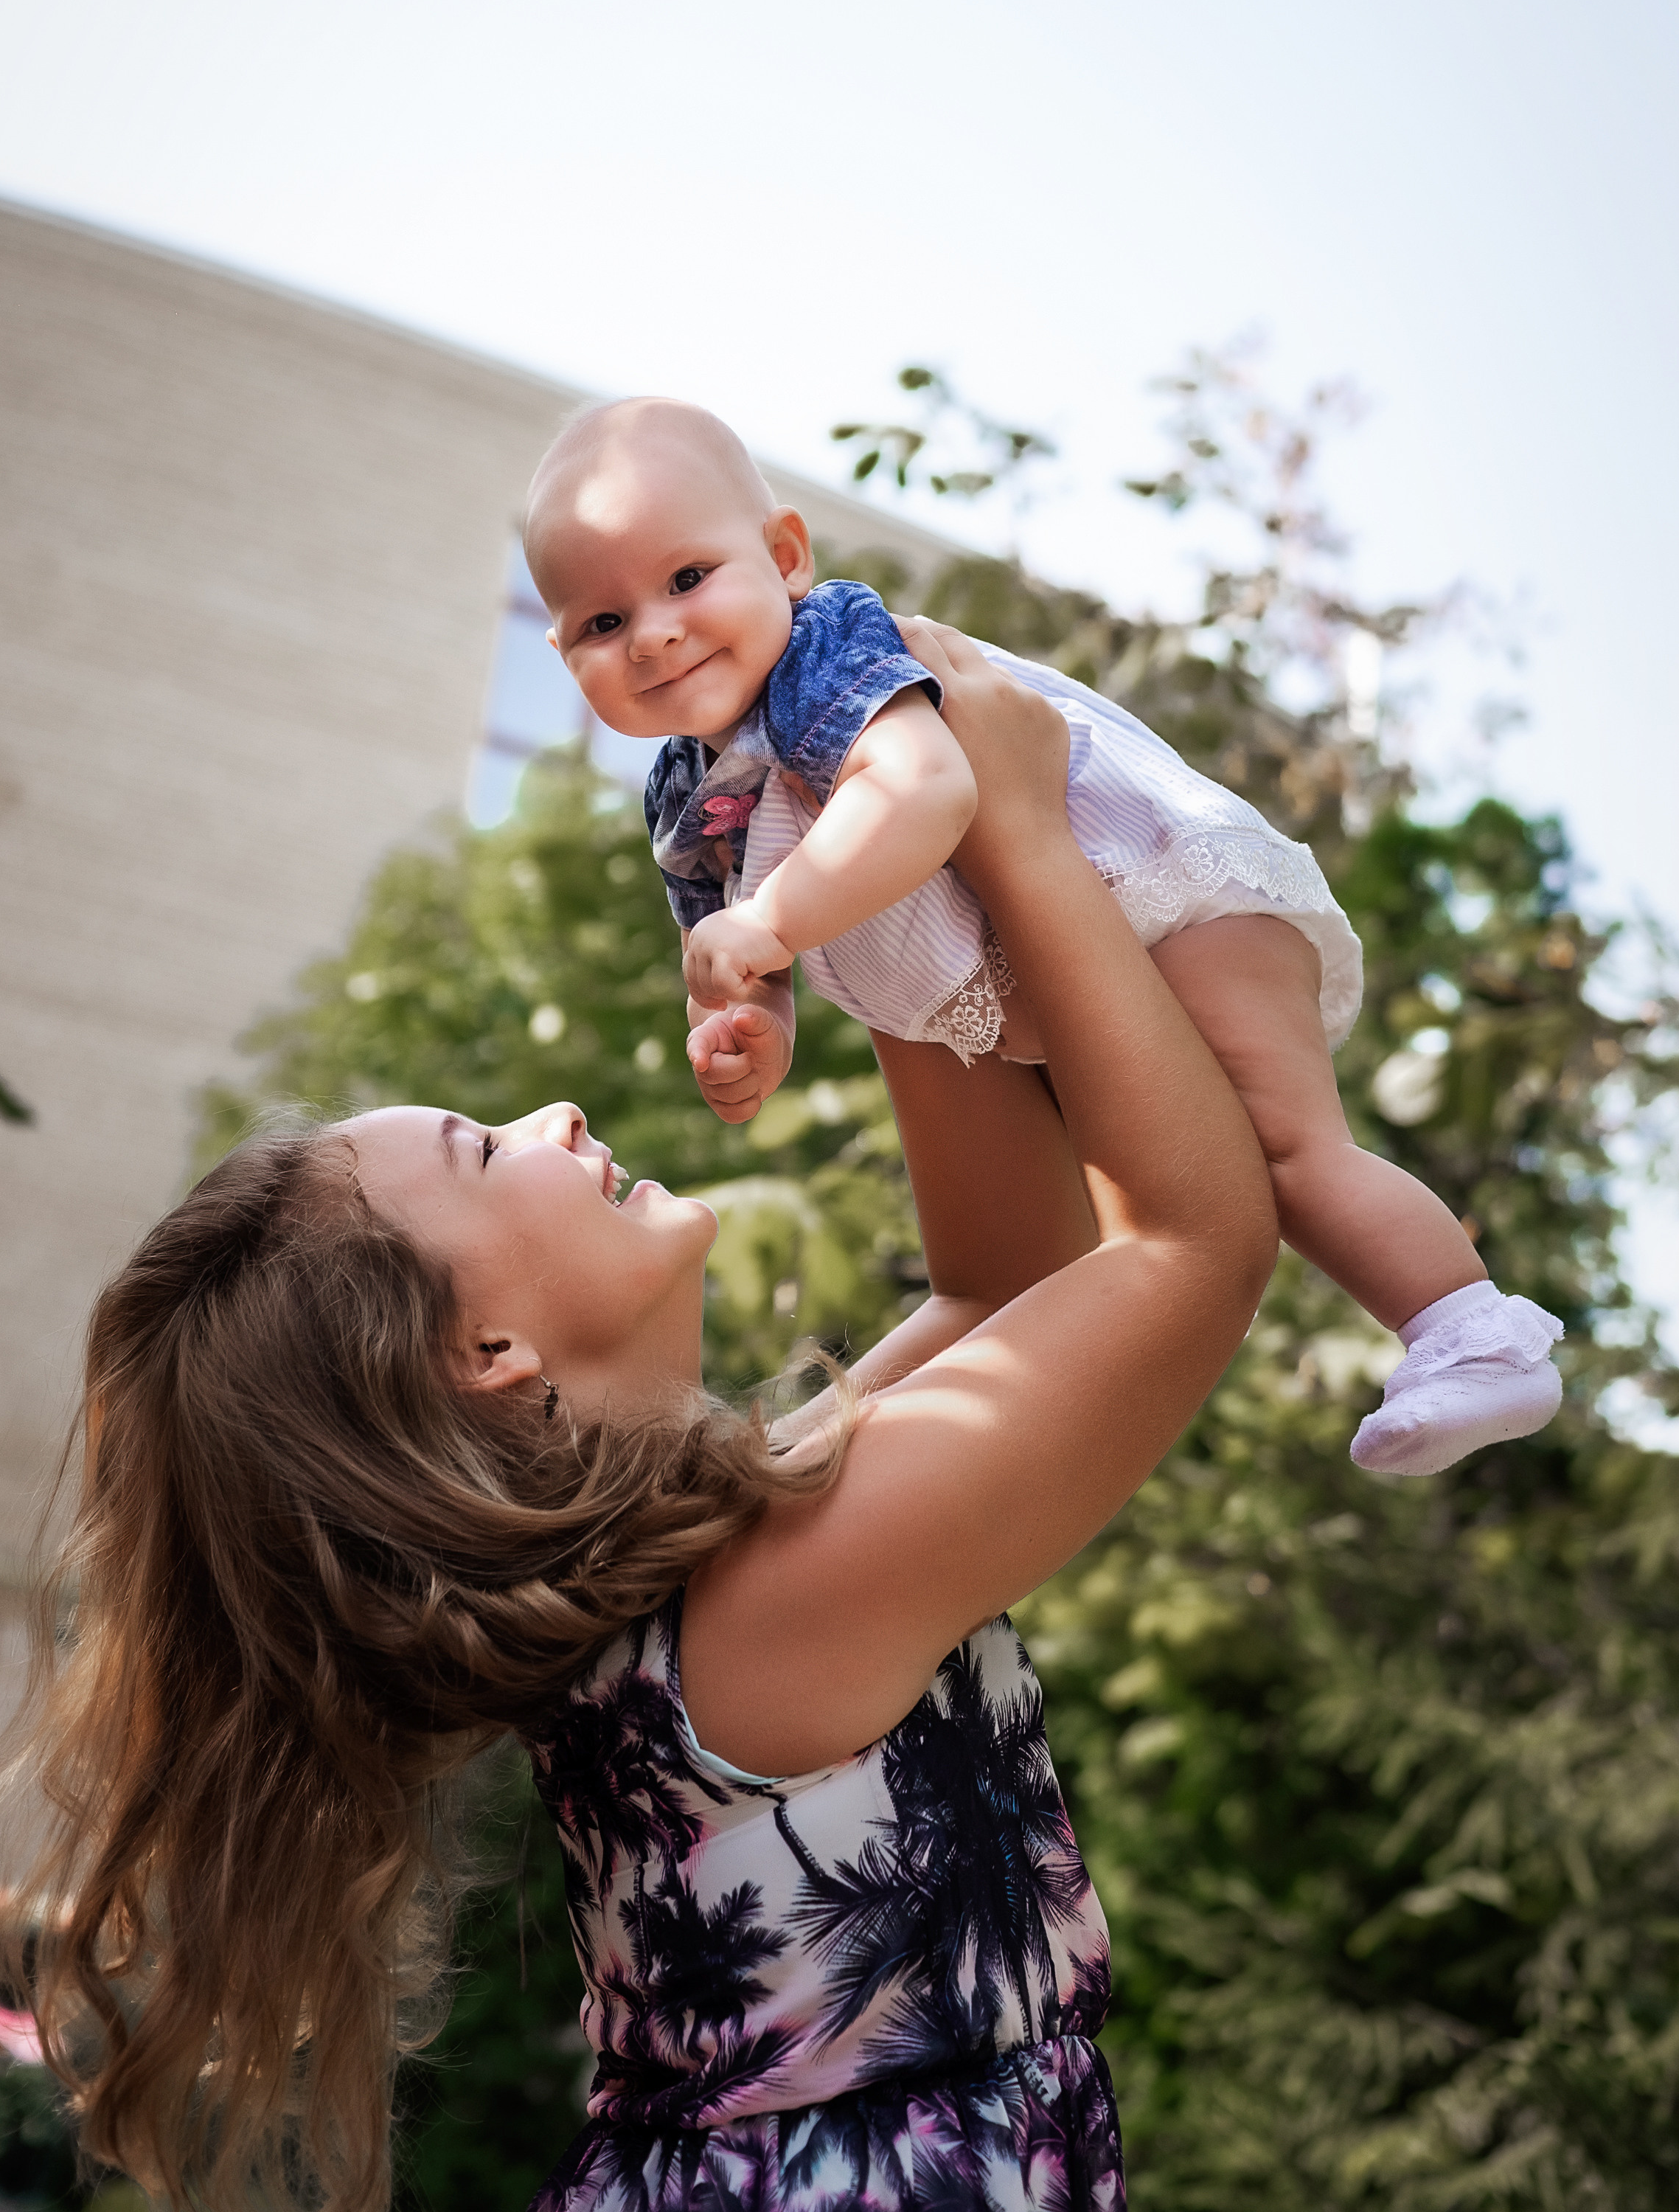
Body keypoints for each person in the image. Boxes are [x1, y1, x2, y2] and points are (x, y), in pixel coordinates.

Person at [0, 632, 1273, 2212]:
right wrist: (1025, 837)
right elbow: (1190, 1249)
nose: (554, 1116)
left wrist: (859, 874)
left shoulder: (725, 1575)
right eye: (490, 1153)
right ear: (489, 1349)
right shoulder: (782, 1598)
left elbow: (1008, 1286)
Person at [521, 398, 1565, 1480]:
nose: (653, 631)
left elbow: (922, 791)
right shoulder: (682, 793)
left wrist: (770, 922)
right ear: (564, 654)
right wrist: (753, 1023)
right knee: (1160, 1193)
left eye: (688, 579)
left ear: (785, 555)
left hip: (1165, 895)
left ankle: (1470, 1329)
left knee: (1281, 1148)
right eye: (603, 625)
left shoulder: (823, 653)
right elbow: (742, 956)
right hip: (1057, 971)